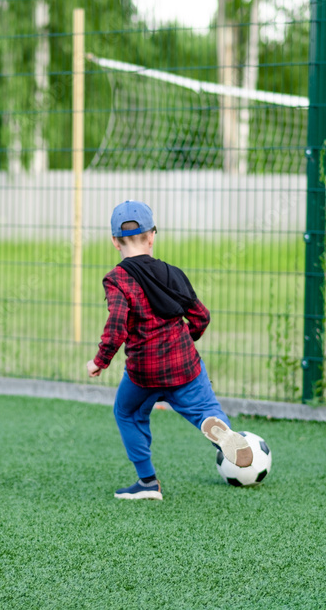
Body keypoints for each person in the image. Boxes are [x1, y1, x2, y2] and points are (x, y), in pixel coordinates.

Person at [86, 200, 252, 500]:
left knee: (127, 412)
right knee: (205, 407)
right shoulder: (172, 273)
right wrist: (184, 339)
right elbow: (201, 316)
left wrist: (100, 361)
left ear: (114, 242)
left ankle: (148, 482)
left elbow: (116, 326)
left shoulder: (117, 279)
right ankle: (217, 428)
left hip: (143, 372)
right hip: (184, 365)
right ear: (152, 236)